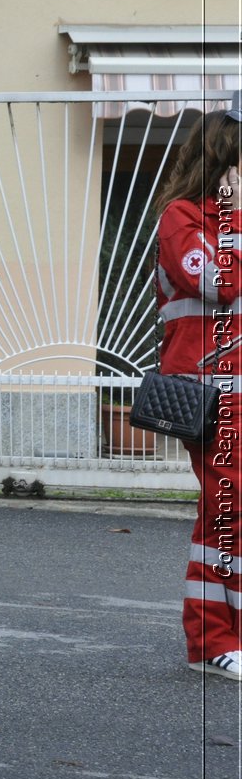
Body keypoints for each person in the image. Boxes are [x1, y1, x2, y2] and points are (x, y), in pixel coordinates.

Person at [151, 108, 242, 679]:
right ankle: (212, 639)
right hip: (210, 392)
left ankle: (215, 636)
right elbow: (217, 280)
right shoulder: (182, 217)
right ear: (222, 164)